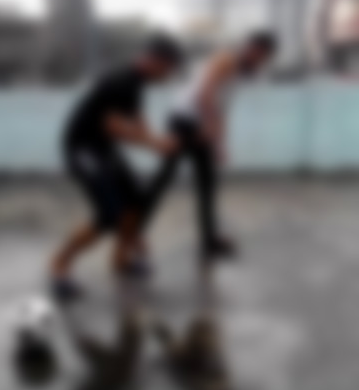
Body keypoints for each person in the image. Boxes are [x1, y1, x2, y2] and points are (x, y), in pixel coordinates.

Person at [49, 35, 184, 303]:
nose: (169, 76)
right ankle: (59, 267)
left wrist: (157, 140)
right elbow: (113, 127)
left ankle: (121, 260)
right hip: (82, 149)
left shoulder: (137, 82)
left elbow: (138, 120)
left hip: (102, 148)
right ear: (157, 62)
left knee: (136, 200)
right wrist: (155, 144)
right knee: (109, 214)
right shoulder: (121, 81)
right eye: (169, 69)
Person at [144, 32, 277, 262]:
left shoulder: (243, 71)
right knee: (162, 181)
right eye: (259, 54)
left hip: (200, 124)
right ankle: (132, 235)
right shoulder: (227, 59)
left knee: (207, 185)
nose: (260, 60)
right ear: (253, 49)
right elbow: (204, 94)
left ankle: (209, 242)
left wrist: (220, 144)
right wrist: (209, 128)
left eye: (265, 57)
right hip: (184, 121)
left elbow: (223, 106)